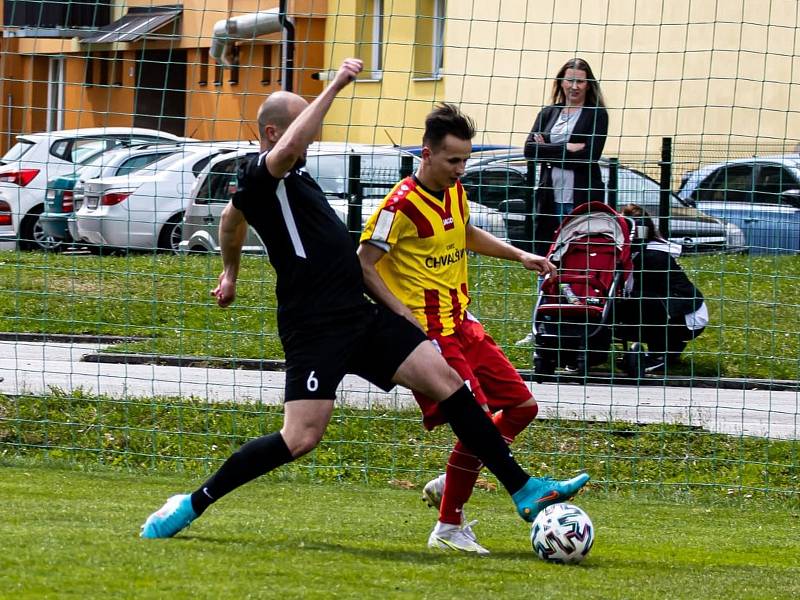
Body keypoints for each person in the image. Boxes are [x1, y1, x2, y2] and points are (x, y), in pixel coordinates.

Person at [139, 59, 589, 540]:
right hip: (314, 327)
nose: (311, 137)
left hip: (360, 313)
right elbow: (255, 191)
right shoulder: (261, 172)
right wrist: (335, 83)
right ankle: (191, 503)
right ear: (272, 134)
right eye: (303, 126)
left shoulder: (291, 180)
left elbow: (231, 222)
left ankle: (523, 490)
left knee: (450, 384)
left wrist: (230, 272)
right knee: (301, 437)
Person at [358, 103, 585, 555]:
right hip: (433, 337)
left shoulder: (453, 192)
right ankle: (448, 528)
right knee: (475, 423)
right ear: (427, 154)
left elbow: (465, 234)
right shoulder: (399, 205)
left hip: (464, 323)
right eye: (453, 161)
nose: (461, 170)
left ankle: (459, 474)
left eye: (465, 160)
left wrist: (520, 255)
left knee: (522, 406)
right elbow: (363, 265)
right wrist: (400, 314)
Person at [525, 57, 609, 256]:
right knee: (547, 252)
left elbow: (589, 156)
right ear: (561, 82)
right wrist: (567, 147)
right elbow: (529, 150)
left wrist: (547, 149)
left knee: (577, 252)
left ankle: (573, 287)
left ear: (588, 85)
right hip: (549, 196)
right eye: (569, 80)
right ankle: (545, 287)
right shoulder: (548, 113)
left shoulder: (597, 114)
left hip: (581, 196)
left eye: (580, 81)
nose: (574, 86)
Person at [615, 204, 708, 372]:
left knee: (637, 302)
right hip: (672, 310)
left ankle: (658, 354)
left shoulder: (653, 255)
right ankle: (670, 349)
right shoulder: (634, 254)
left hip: (686, 315)